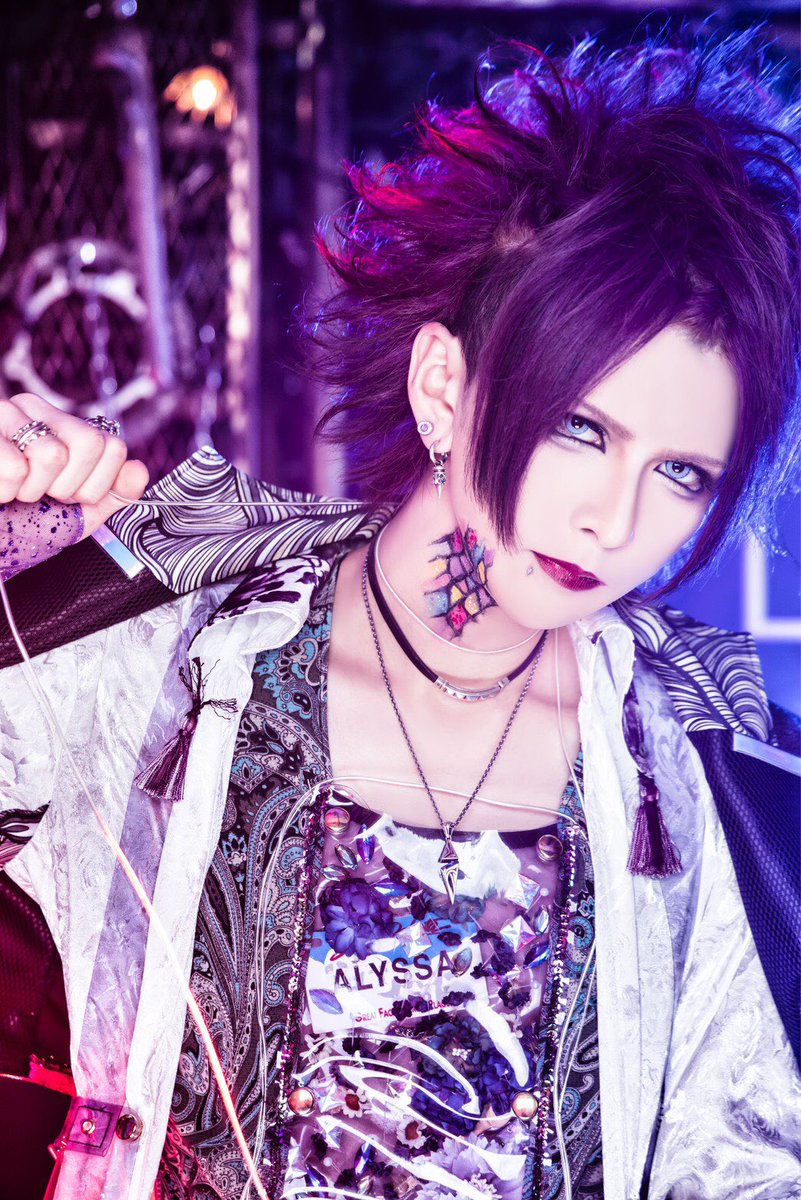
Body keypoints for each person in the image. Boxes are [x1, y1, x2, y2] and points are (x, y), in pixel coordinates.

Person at [0, 24, 799, 1200]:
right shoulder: (163, 647)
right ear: (442, 387)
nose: (616, 521)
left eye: (680, 472)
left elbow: (743, 1163)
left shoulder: (706, 774)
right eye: (581, 429)